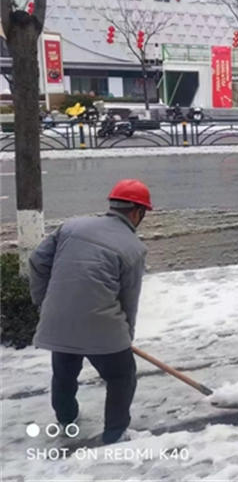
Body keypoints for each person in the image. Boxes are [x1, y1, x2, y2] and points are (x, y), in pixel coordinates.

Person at [28, 179, 152, 444]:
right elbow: (129, 299)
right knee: (121, 376)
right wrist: (125, 336)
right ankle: (115, 433)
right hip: (103, 326)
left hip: (59, 320)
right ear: (136, 212)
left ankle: (66, 419)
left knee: (64, 373)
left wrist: (44, 302)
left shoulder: (71, 226)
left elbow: (37, 261)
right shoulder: (133, 248)